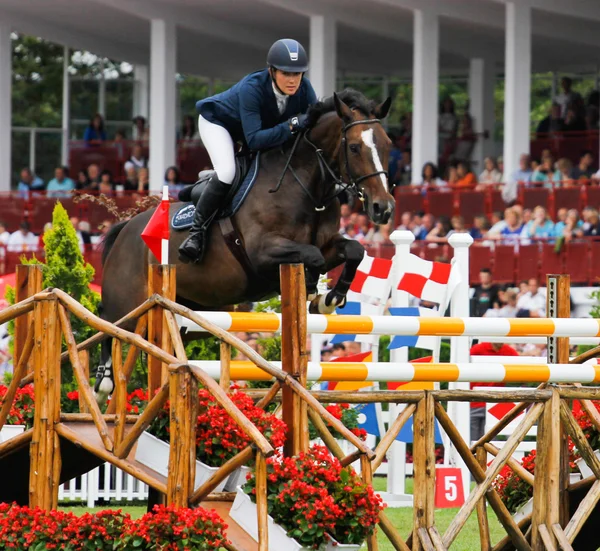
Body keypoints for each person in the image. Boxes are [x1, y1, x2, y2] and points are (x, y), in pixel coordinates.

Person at [179, 38, 317, 264]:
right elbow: (254, 140)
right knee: (227, 172)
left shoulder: (305, 89)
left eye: (298, 74)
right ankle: (197, 234)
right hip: (220, 124)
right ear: (272, 71)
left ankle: (206, 186)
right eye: (286, 73)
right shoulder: (251, 88)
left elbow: (312, 125)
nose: (293, 80)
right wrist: (292, 124)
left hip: (253, 129)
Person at [469, 341, 519, 440]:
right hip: (476, 399)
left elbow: (522, 365)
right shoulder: (479, 348)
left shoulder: (508, 350)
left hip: (495, 400)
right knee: (473, 437)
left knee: (493, 437)